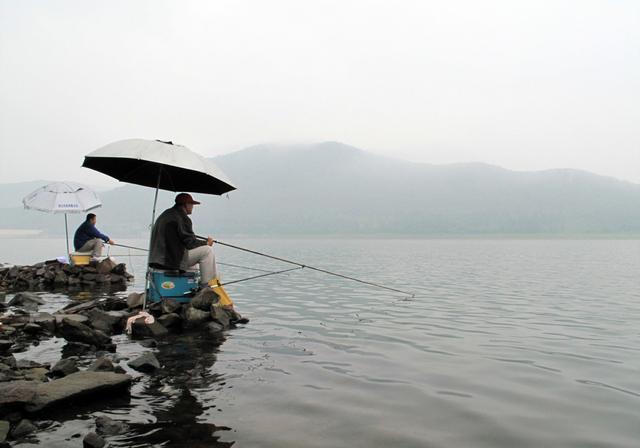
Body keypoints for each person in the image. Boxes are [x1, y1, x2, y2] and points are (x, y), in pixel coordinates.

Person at [149, 193, 217, 287]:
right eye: (192, 204)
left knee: (194, 266)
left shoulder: (166, 214)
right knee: (207, 251)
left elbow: (183, 239)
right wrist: (207, 243)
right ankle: (208, 287)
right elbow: (191, 243)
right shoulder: (182, 217)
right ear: (186, 204)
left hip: (156, 261)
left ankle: (190, 287)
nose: (193, 207)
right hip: (169, 261)